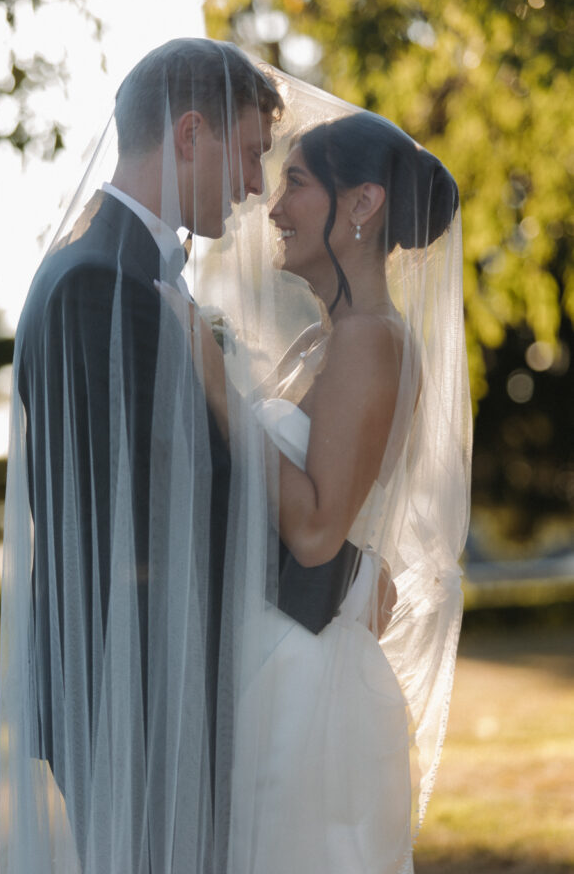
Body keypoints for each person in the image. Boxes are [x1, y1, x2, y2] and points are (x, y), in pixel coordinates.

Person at [160, 106, 471, 874]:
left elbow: (314, 531)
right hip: (275, 654)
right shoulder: (322, 340)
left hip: (308, 684)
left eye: (295, 182)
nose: (272, 207)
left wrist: (213, 374)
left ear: (361, 204)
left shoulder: (373, 342)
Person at [0, 38, 283, 874]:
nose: (258, 186)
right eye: (251, 153)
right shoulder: (99, 283)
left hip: (151, 676)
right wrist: (325, 565)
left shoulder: (124, 265)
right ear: (189, 133)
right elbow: (160, 505)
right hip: (135, 686)